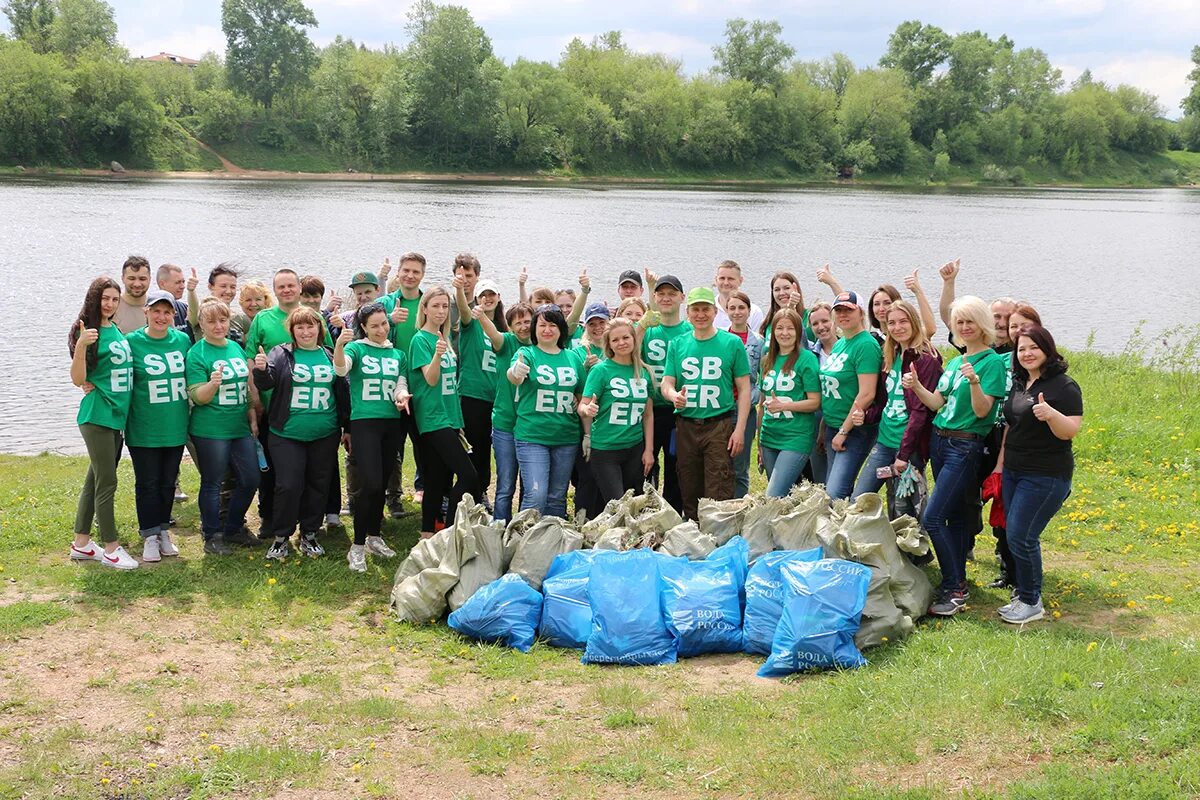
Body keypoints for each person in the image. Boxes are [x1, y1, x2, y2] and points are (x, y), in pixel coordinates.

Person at [904, 296, 1008, 617]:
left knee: (933, 517)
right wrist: (918, 386)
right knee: (958, 514)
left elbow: (982, 412)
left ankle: (955, 587)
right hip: (941, 441)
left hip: (965, 445)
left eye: (969, 321)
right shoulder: (954, 361)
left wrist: (975, 382)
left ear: (983, 325)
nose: (964, 327)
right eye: (959, 322)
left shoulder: (991, 362)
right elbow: (937, 403)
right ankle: (957, 578)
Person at [993, 325, 1083, 624]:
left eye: (1033, 347)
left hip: (1046, 475)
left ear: (1047, 349)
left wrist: (1052, 415)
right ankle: (1024, 593)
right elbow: (1011, 426)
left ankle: (1031, 601)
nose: (1027, 353)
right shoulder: (1020, 382)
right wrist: (1000, 465)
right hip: (1015, 470)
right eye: (1021, 349)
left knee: (1022, 535)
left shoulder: (1063, 387)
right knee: (1014, 533)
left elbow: (1069, 431)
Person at [253, 306, 348, 559]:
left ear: (319, 328)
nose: (306, 332)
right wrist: (261, 370)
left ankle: (309, 533)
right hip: (287, 433)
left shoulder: (330, 354)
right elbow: (268, 381)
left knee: (318, 484)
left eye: (310, 326)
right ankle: (281, 536)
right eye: (300, 327)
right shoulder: (281, 353)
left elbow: (342, 391)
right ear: (292, 331)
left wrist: (346, 427)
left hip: (324, 433)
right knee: (288, 485)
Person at [244, 268, 330, 537]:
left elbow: (328, 354)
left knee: (311, 472)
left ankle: (310, 524)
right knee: (274, 472)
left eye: (291, 285)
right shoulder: (263, 318)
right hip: (273, 407)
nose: (287, 290)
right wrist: (255, 400)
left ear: (298, 288)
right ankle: (270, 519)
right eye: (280, 286)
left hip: (309, 408)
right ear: (275, 290)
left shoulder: (310, 316)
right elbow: (251, 359)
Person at [660, 287, 751, 520]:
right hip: (687, 424)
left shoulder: (731, 343)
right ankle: (693, 534)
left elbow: (743, 388)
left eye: (706, 309)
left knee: (718, 485)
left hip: (718, 423)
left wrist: (739, 429)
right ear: (688, 312)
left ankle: (717, 538)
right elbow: (666, 382)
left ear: (714, 311)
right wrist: (673, 395)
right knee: (689, 485)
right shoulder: (678, 344)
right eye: (695, 310)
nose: (701, 315)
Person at [334, 303, 410, 570]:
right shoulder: (356, 348)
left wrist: (402, 397)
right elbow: (342, 370)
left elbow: (400, 383)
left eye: (384, 324)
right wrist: (341, 346)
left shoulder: (398, 354)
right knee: (371, 485)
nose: (381, 329)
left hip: (391, 423)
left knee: (384, 482)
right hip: (365, 423)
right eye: (374, 325)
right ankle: (356, 547)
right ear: (363, 327)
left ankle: (374, 537)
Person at [69, 276, 137, 569]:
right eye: (104, 298)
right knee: (107, 481)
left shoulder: (115, 329)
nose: (109, 304)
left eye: (114, 299)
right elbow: (78, 380)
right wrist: (82, 345)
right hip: (98, 415)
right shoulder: (89, 331)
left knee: (94, 480)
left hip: (115, 415)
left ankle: (82, 544)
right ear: (93, 299)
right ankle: (111, 547)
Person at [187, 300, 261, 556]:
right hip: (210, 429)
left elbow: (246, 388)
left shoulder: (236, 349)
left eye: (223, 320)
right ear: (202, 325)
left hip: (238, 426)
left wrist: (252, 416)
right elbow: (198, 397)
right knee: (213, 482)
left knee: (251, 478)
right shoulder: (197, 353)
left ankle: (233, 527)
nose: (218, 326)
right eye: (211, 322)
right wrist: (212, 384)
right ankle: (212, 535)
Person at [851, 300, 942, 501]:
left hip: (909, 448)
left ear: (914, 323)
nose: (897, 327)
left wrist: (904, 454)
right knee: (858, 499)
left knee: (906, 508)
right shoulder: (890, 356)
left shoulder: (925, 360)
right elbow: (884, 402)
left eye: (903, 321)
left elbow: (921, 412)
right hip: (884, 443)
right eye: (892, 323)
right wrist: (865, 416)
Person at [125, 289, 192, 562]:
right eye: (156, 311)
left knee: (167, 482)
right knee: (148, 482)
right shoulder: (132, 342)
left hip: (175, 423)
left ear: (173, 314)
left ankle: (164, 529)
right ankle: (149, 534)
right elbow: (113, 370)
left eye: (167, 312)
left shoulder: (183, 341)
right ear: (146, 312)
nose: (161, 317)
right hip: (144, 424)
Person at [410, 287, 481, 536]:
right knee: (469, 476)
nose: (440, 311)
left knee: (438, 480)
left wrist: (458, 421)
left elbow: (450, 386)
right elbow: (430, 379)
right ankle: (450, 530)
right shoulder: (420, 340)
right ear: (425, 308)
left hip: (450, 417)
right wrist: (438, 356)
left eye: (444, 306)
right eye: (435, 306)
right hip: (432, 417)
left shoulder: (446, 338)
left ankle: (427, 532)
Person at [508, 304, 585, 518]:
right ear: (534, 329)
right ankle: (522, 543)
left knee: (557, 497)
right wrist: (516, 371)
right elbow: (513, 376)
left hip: (566, 437)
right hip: (533, 436)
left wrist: (587, 433)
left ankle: (553, 544)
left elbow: (582, 398)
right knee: (536, 495)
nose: (547, 330)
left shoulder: (573, 358)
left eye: (552, 325)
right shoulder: (526, 353)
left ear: (561, 329)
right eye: (542, 325)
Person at [578, 317, 655, 508]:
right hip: (606, 449)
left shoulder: (643, 372)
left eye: (626, 337)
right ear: (609, 344)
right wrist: (587, 409)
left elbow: (648, 415)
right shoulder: (601, 370)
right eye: (615, 340)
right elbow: (582, 406)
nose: (621, 343)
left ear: (634, 340)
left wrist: (649, 450)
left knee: (634, 504)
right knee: (618, 504)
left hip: (634, 448)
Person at [818, 291, 882, 500]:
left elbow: (867, 393)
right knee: (832, 492)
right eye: (839, 310)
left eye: (849, 310)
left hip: (854, 429)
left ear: (861, 312)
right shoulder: (840, 343)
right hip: (832, 425)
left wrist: (844, 431)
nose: (843, 315)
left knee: (836, 492)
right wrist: (825, 427)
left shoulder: (865, 345)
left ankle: (850, 530)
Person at [453, 275, 506, 509]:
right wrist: (459, 291)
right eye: (482, 295)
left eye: (491, 294)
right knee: (476, 448)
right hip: (473, 395)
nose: (487, 298)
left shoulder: (504, 328)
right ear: (476, 299)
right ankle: (473, 494)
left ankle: (483, 491)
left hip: (499, 398)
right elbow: (464, 312)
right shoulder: (472, 323)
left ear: (498, 298)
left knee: (493, 451)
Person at [757, 308, 821, 497]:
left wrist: (785, 406)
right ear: (773, 332)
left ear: (799, 332)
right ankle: (794, 526)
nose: (784, 333)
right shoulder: (767, 360)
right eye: (780, 328)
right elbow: (762, 403)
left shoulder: (806, 359)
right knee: (782, 498)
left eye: (790, 328)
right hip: (769, 436)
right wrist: (759, 441)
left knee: (773, 495)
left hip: (796, 436)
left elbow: (815, 402)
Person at [379, 253, 427, 504]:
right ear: (398, 272)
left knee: (422, 438)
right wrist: (389, 321)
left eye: (415, 272)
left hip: (421, 381)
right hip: (391, 382)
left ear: (422, 275)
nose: (410, 276)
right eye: (406, 271)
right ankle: (391, 493)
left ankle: (423, 486)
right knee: (392, 442)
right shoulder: (387, 302)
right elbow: (365, 331)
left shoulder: (428, 303)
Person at [481, 301, 534, 523]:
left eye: (527, 321)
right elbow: (493, 333)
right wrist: (481, 315)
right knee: (505, 483)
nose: (523, 326)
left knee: (529, 483)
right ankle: (499, 527)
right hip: (505, 424)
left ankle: (521, 526)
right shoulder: (506, 343)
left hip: (531, 426)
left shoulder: (541, 346)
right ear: (510, 327)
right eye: (518, 323)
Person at [640, 275, 689, 512]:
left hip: (678, 410)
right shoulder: (647, 329)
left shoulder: (690, 330)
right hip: (648, 409)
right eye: (661, 294)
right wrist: (640, 325)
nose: (666, 298)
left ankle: (672, 516)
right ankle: (645, 513)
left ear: (682, 297)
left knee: (675, 467)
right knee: (645, 467)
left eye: (672, 294)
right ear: (655, 298)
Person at [725, 291, 764, 498]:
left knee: (739, 467)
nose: (737, 312)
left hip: (745, 411)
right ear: (726, 310)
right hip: (721, 410)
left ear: (749, 311)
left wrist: (751, 397)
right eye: (732, 308)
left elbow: (763, 379)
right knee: (720, 464)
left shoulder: (759, 342)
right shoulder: (720, 338)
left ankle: (739, 508)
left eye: (741, 308)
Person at [805, 301, 837, 484]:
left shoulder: (846, 349)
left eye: (825, 321)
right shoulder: (810, 355)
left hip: (840, 418)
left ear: (834, 320)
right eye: (815, 324)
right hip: (816, 418)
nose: (821, 327)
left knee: (838, 478)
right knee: (820, 476)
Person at [187, 263, 248, 342]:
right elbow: (194, 309)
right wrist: (191, 291)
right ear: (210, 287)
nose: (229, 291)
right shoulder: (202, 314)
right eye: (223, 286)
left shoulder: (242, 319)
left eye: (233, 287)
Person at [712, 260, 765, 332]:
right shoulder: (708, 309)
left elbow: (756, 341)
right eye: (722, 278)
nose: (726, 283)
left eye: (730, 279)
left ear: (740, 281)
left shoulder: (754, 312)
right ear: (716, 280)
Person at [759, 271, 811, 344]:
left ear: (796, 289)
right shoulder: (770, 323)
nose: (782, 293)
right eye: (777, 290)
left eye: (786, 288)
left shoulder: (810, 317)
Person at [449, 253, 481, 353]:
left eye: (468, 276)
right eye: (460, 276)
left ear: (477, 276)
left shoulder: (481, 306)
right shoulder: (444, 304)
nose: (464, 280)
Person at [115, 256, 152, 334]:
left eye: (142, 279)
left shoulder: (157, 308)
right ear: (122, 278)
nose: (137, 284)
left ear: (150, 279)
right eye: (131, 278)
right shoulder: (112, 307)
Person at [156, 263, 189, 328]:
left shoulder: (184, 309)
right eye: (178, 282)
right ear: (162, 284)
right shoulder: (151, 312)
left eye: (183, 282)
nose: (183, 286)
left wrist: (191, 291)